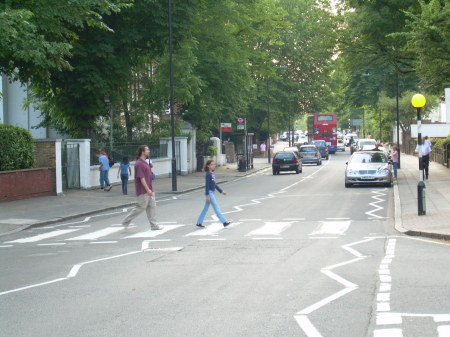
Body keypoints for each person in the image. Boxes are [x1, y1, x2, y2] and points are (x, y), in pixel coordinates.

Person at [121, 145, 163, 231]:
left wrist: (150, 189)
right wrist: (147, 190)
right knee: (141, 207)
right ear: (142, 152)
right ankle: (126, 221)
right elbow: (141, 178)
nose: (149, 151)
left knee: (152, 207)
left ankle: (154, 225)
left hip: (150, 188)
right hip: (144, 190)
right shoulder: (139, 163)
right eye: (147, 150)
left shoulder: (145, 162)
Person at [195, 159, 231, 228]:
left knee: (205, 209)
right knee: (216, 208)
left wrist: (221, 191)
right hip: (210, 193)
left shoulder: (212, 174)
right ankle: (224, 222)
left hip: (211, 193)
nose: (213, 166)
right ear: (208, 166)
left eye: (214, 164)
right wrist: (207, 195)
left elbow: (214, 184)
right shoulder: (208, 174)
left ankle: (199, 222)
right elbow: (207, 185)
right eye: (212, 164)